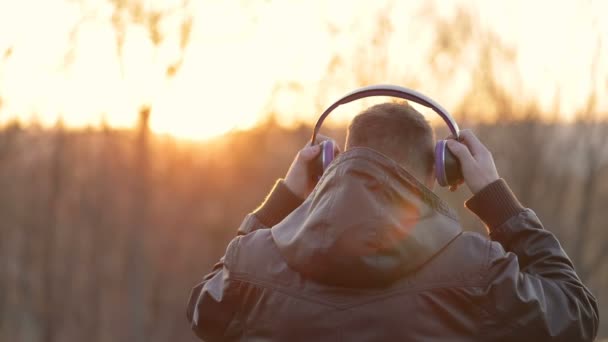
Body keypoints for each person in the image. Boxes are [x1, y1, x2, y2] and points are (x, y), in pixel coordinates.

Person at [187, 102, 599, 341]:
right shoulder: (478, 271)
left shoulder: (252, 266)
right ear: (439, 169)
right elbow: (576, 314)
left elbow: (204, 309)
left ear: (331, 162)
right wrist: (494, 194)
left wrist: (283, 200)